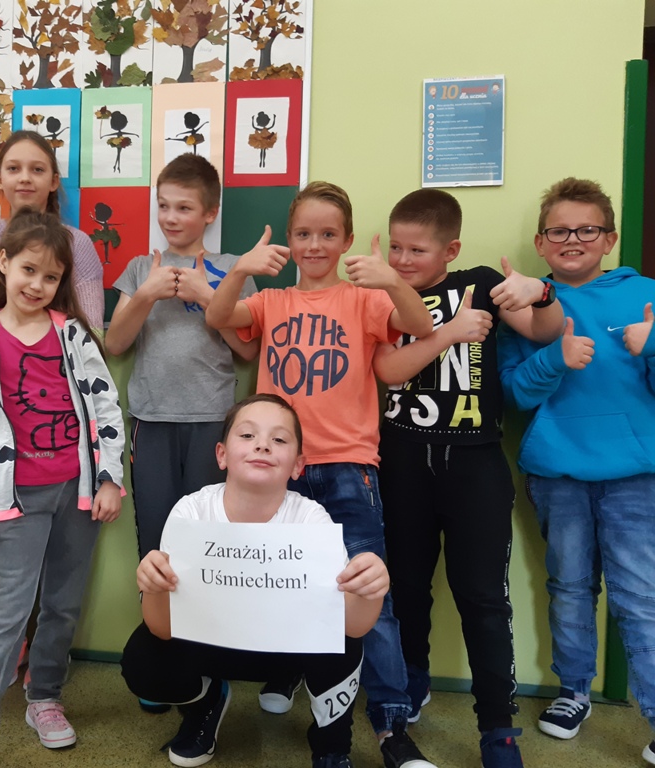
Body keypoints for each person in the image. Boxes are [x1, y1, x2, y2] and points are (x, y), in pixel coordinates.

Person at [206, 181, 436, 768]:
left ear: (347, 240)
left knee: (369, 595)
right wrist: (241, 269)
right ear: (289, 238)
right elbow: (217, 314)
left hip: (348, 468)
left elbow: (419, 324)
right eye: (304, 234)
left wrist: (391, 280)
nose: (314, 245)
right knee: (284, 586)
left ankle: (390, 725)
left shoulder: (363, 300)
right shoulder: (272, 301)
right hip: (278, 472)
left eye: (327, 234)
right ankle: (296, 686)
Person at [372, 188, 564, 768]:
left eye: (418, 250)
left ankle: (497, 726)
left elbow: (545, 331)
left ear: (450, 250)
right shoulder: (383, 292)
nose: (403, 259)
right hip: (402, 460)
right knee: (405, 587)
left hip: (475, 462)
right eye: (396, 247)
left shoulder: (479, 283)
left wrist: (541, 293)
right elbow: (386, 372)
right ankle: (411, 682)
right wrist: (447, 332)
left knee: (483, 598)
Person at [0, 209, 125, 768]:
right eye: (28, 270)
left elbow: (106, 408)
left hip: (77, 492)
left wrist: (109, 478)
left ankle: (44, 698)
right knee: (7, 617)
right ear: (3, 263)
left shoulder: (72, 333)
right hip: (13, 497)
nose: (38, 285)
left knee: (62, 605)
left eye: (51, 277)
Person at [121, 394, 389, 768]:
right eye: (247, 435)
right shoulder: (192, 511)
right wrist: (153, 587)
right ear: (221, 455)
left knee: (341, 641)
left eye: (279, 439)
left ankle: (331, 749)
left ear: (297, 465)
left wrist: (371, 590)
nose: (262, 445)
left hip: (286, 654)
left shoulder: (311, 520)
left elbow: (352, 628)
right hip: (210, 647)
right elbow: (162, 628)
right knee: (142, 660)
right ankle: (206, 703)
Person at [498, 178, 655, 765]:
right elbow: (514, 393)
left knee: (640, 597)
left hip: (636, 475)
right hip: (557, 474)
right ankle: (573, 693)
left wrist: (652, 345)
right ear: (541, 242)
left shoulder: (644, 294)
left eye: (587, 229)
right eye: (559, 230)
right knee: (568, 588)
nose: (573, 239)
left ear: (609, 239)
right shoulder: (524, 305)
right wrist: (554, 359)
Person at [105, 153, 258, 566]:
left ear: (210, 213)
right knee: (157, 536)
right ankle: (156, 609)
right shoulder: (141, 268)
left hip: (212, 419)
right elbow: (115, 344)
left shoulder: (233, 271)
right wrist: (146, 295)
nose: (170, 218)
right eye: (163, 206)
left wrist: (208, 298)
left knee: (208, 536)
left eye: (184, 208)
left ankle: (206, 611)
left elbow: (248, 350)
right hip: (152, 418)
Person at [0, 130, 104, 328]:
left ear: (54, 181)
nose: (25, 178)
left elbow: (92, 329)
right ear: (0, 179)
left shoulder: (76, 243)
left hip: (53, 348)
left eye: (37, 170)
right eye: (13, 168)